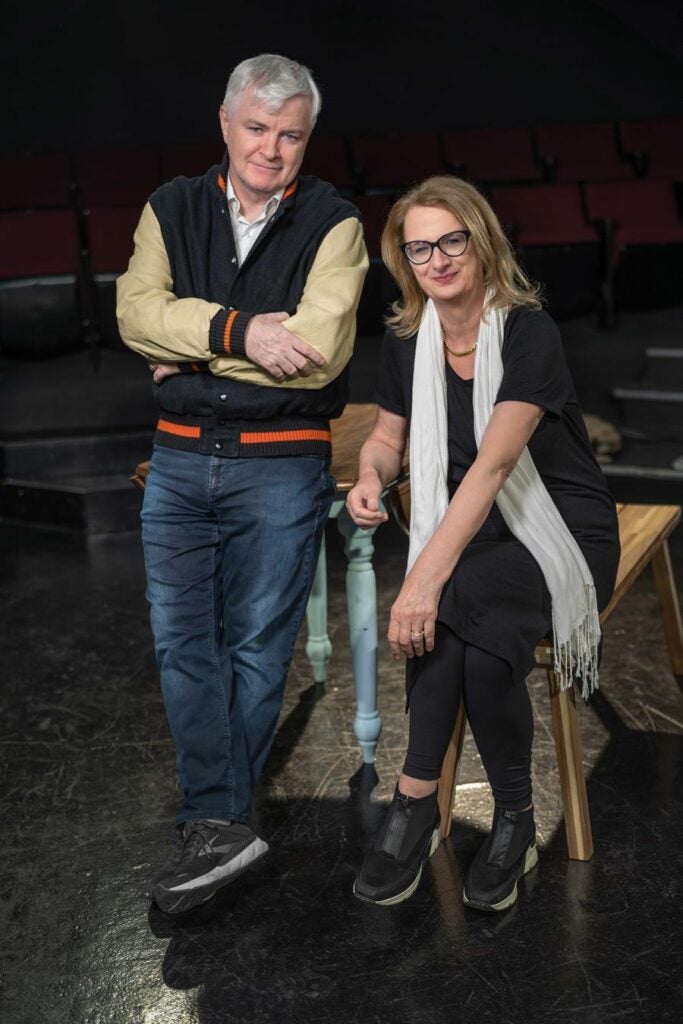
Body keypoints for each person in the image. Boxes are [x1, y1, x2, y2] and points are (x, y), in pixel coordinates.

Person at [116, 54, 368, 914]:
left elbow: (318, 354)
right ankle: (224, 823)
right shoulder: (171, 206)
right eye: (256, 128)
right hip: (179, 459)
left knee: (257, 644)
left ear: (306, 139)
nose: (271, 148)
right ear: (225, 124)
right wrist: (240, 332)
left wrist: (188, 354)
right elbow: (133, 315)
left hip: (281, 460)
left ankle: (210, 824)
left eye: (289, 135)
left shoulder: (335, 224)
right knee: (181, 643)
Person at [346, 176, 619, 912]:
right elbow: (386, 438)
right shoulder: (409, 340)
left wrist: (421, 580)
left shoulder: (528, 331)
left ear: (481, 240)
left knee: (454, 598)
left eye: (450, 241)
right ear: (403, 260)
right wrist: (371, 476)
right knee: (465, 615)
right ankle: (496, 816)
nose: (436, 260)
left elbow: (495, 466)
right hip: (480, 527)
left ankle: (422, 806)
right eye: (418, 248)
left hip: (558, 523)